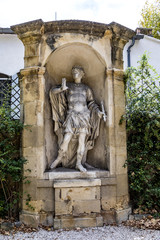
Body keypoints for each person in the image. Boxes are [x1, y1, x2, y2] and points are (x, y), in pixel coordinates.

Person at [49, 65, 106, 172]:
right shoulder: (68, 86)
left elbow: (91, 103)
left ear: (82, 74)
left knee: (81, 141)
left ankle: (79, 163)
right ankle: (59, 158)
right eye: (73, 71)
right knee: (66, 140)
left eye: (78, 70)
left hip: (84, 116)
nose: (75, 72)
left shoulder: (86, 88)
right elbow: (52, 92)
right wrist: (61, 89)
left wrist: (98, 112)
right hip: (71, 116)